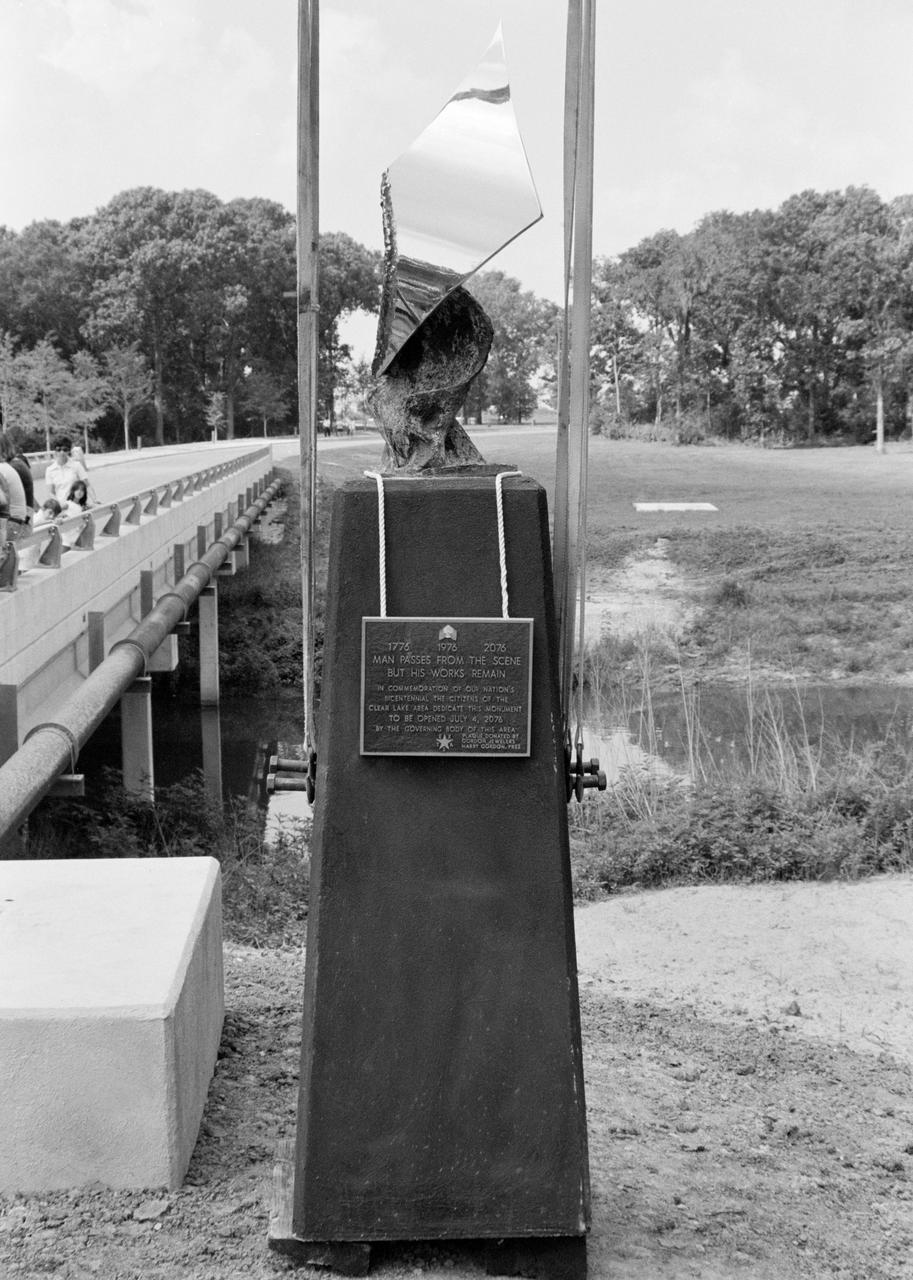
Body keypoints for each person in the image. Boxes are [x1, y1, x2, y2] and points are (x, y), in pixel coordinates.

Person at [44, 437, 92, 505]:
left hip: (77, 505)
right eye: (58, 449)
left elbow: (87, 485)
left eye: (65, 449)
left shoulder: (77, 466)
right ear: (55, 451)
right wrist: (60, 505)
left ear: (69, 451)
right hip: (61, 507)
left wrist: (95, 499)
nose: (62, 452)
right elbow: (50, 493)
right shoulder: (49, 470)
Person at [0, 433, 34, 514]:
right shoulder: (17, 464)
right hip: (24, 515)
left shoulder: (12, 467)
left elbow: (2, 501)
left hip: (17, 518)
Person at [0, 451, 29, 541]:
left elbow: (2, 501)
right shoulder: (5, 466)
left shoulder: (1, 469)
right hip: (16, 521)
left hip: (11, 522)